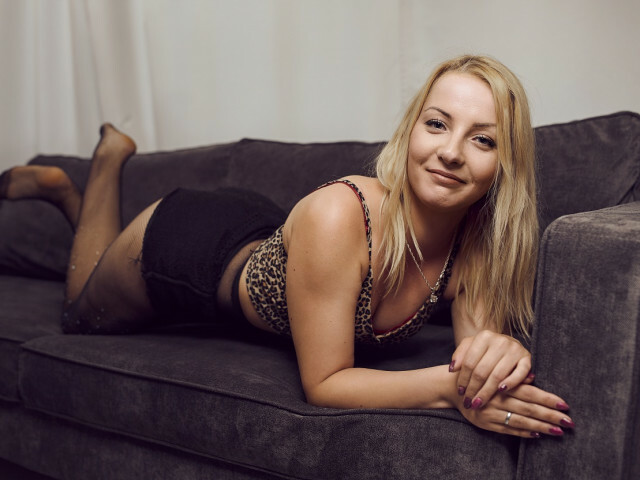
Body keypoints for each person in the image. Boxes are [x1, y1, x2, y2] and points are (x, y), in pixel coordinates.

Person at [0, 55, 573, 438]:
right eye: (437, 124)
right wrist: (449, 390)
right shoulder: (340, 213)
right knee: (78, 316)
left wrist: (499, 358)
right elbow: (325, 384)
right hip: (183, 248)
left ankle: (79, 194)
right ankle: (99, 168)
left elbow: (475, 357)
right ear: (410, 131)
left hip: (257, 228)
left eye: (482, 140)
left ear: (504, 166)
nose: (450, 152)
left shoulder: (477, 243)